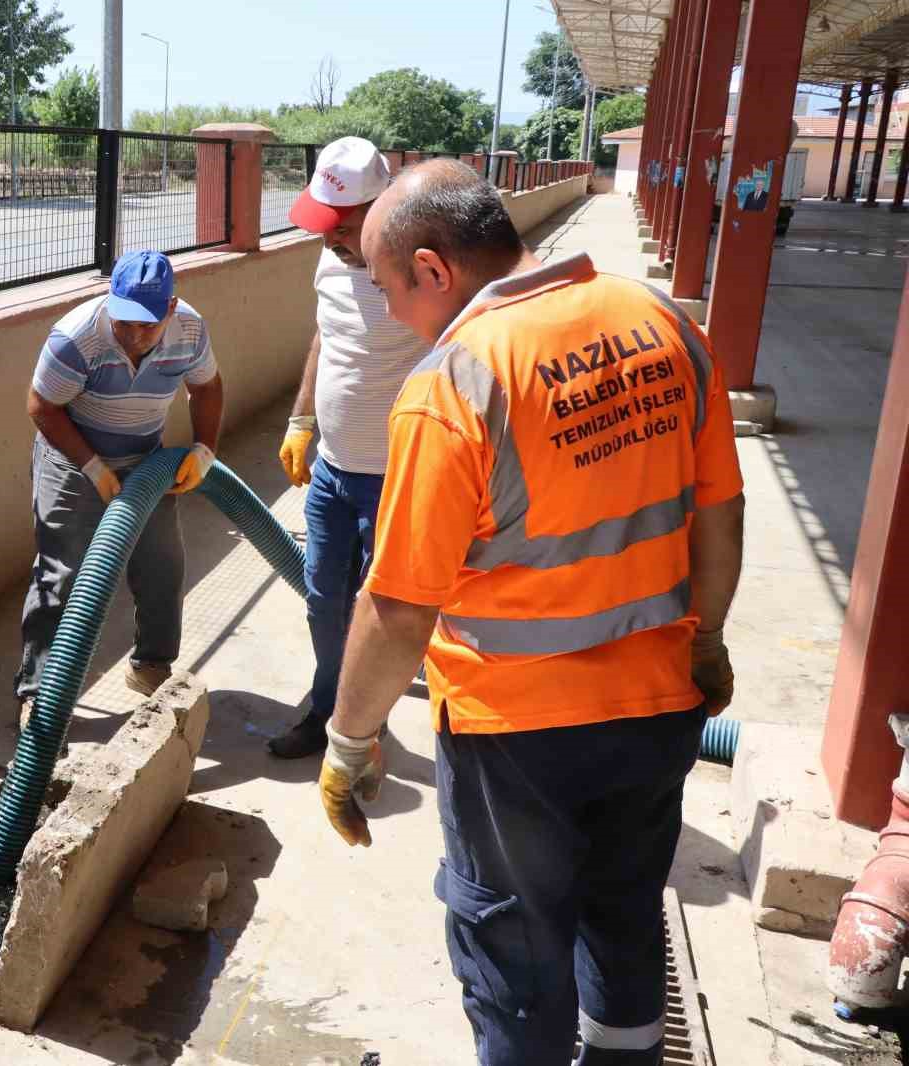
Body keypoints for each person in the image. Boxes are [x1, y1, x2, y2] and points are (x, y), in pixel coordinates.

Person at [317, 160, 744, 1065]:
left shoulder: (453, 387)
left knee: (513, 957)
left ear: (434, 270)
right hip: (662, 701)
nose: (390, 312)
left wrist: (349, 744)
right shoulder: (666, 323)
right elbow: (720, 509)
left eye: (388, 286)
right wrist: (707, 639)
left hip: (516, 737)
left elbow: (398, 609)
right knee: (622, 918)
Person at [270, 137, 432, 761]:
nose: (330, 240)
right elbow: (325, 335)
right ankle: (329, 706)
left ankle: (365, 721)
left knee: (382, 609)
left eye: (343, 228)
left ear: (383, 212)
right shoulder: (331, 261)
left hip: (393, 475)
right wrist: (300, 418)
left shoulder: (422, 275)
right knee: (322, 598)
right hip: (334, 468)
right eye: (325, 226)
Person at [15, 250, 225, 731]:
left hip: (147, 461)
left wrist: (204, 451)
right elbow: (42, 406)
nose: (133, 335)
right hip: (72, 458)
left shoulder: (189, 331)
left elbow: (207, 387)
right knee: (62, 574)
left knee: (162, 564)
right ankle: (40, 694)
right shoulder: (77, 337)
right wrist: (91, 467)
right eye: (124, 321)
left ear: (170, 311)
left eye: (146, 325)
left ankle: (151, 666)